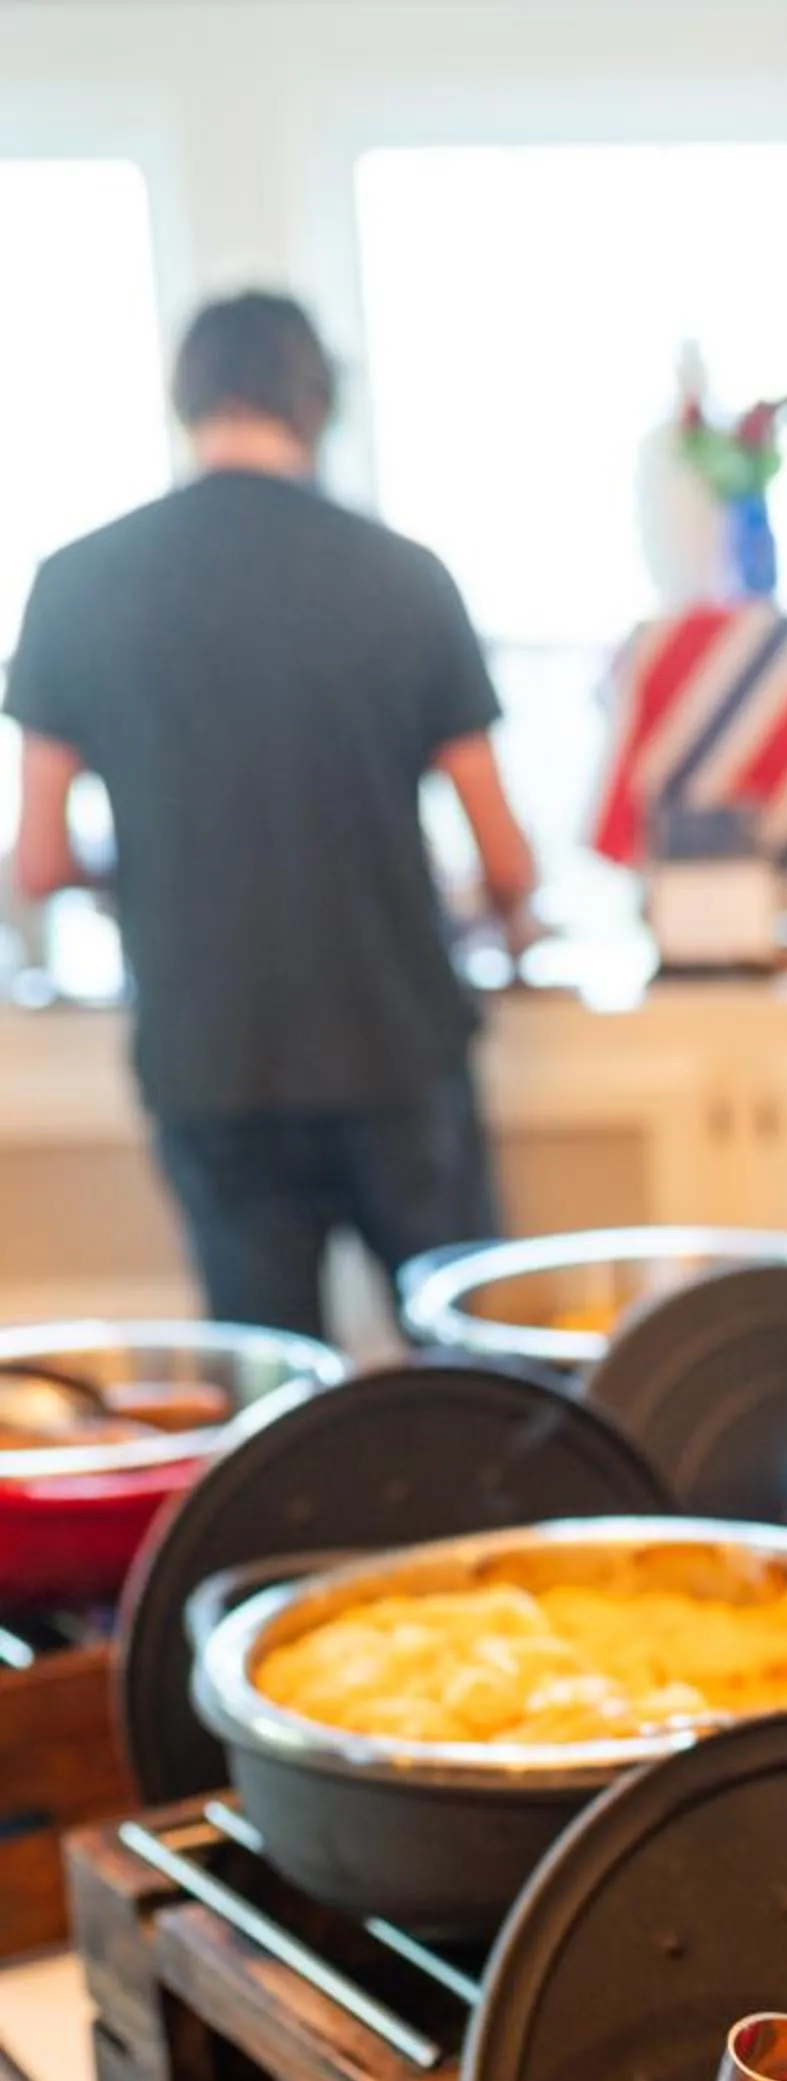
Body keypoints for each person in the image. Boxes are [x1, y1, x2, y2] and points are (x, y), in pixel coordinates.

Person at [6, 290, 537, 1340]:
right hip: (395, 1038)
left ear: (188, 399)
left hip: (211, 1052)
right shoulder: (404, 577)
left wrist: (153, 871)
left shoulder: (75, 585)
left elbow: (38, 859)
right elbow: (507, 859)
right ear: (316, 402)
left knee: (274, 1401)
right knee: (478, 1373)